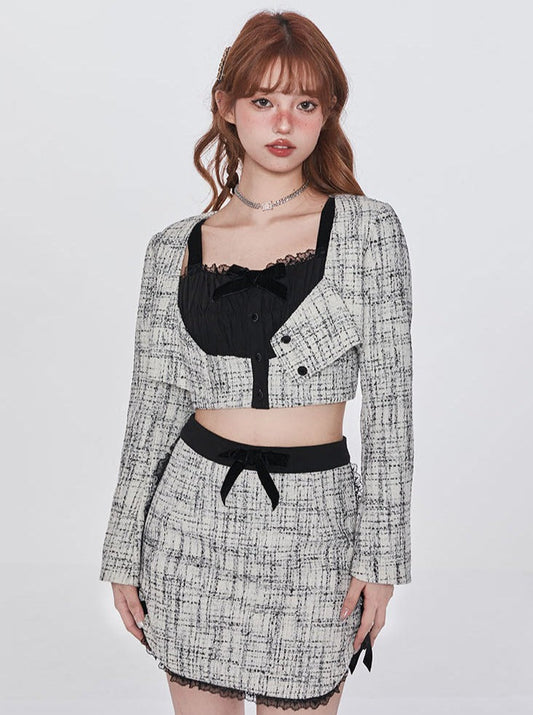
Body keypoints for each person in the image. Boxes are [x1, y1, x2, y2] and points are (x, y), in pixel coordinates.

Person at [99, 9, 414, 715]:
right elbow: (151, 407)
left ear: (327, 114)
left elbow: (391, 409)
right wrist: (121, 550)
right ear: (226, 106)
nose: (284, 123)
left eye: (305, 104)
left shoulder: (368, 230)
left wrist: (381, 559)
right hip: (188, 525)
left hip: (314, 532)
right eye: (264, 100)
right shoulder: (172, 247)